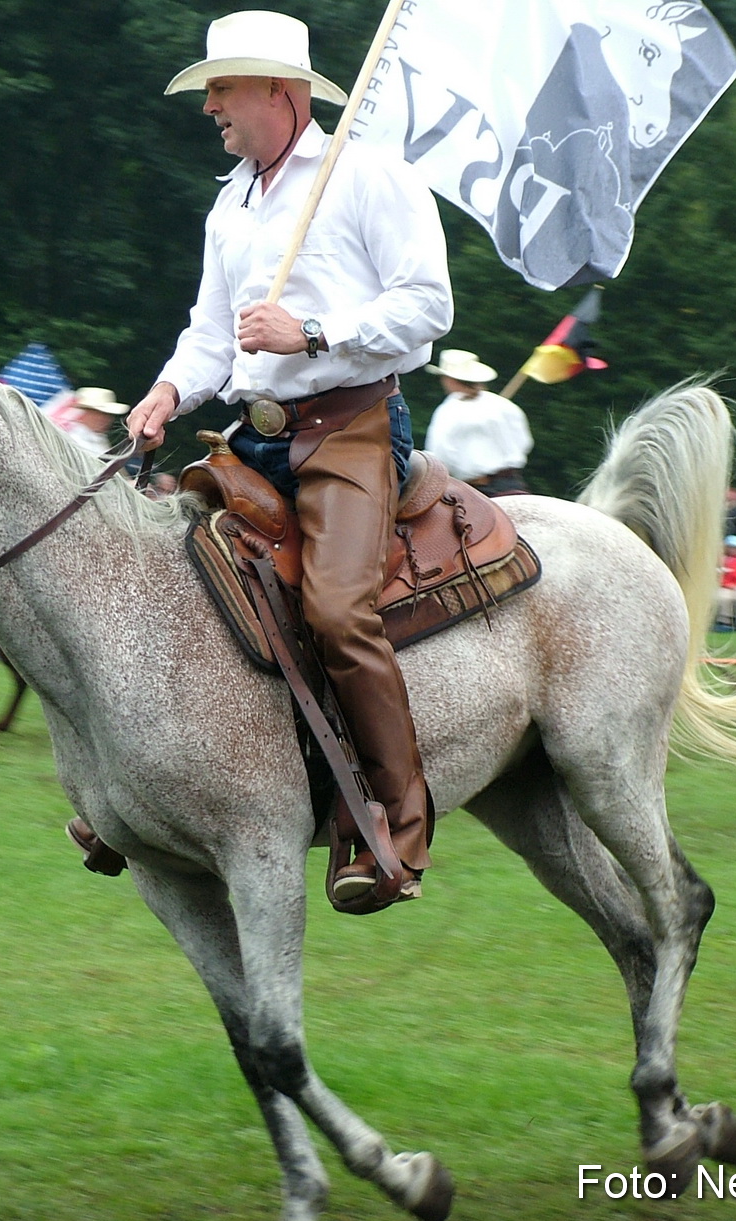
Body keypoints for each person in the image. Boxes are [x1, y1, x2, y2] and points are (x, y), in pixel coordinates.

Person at [117, 10, 454, 909]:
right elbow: (207, 335)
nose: (208, 107)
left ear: (281, 91)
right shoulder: (230, 202)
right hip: (254, 437)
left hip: (352, 427)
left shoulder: (369, 175)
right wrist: (163, 394)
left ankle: (395, 825)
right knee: (165, 587)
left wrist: (310, 333)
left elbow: (428, 306)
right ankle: (152, 793)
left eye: (221, 88)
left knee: (340, 612)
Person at [421, 349, 532, 494]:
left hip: (477, 491)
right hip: (514, 484)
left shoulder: (450, 410)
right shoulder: (504, 405)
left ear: (449, 379)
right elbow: (525, 442)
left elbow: (441, 456)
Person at [57, 388, 128, 455]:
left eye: (107, 414)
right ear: (85, 413)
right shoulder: (72, 440)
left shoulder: (101, 440)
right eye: (97, 413)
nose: (103, 418)